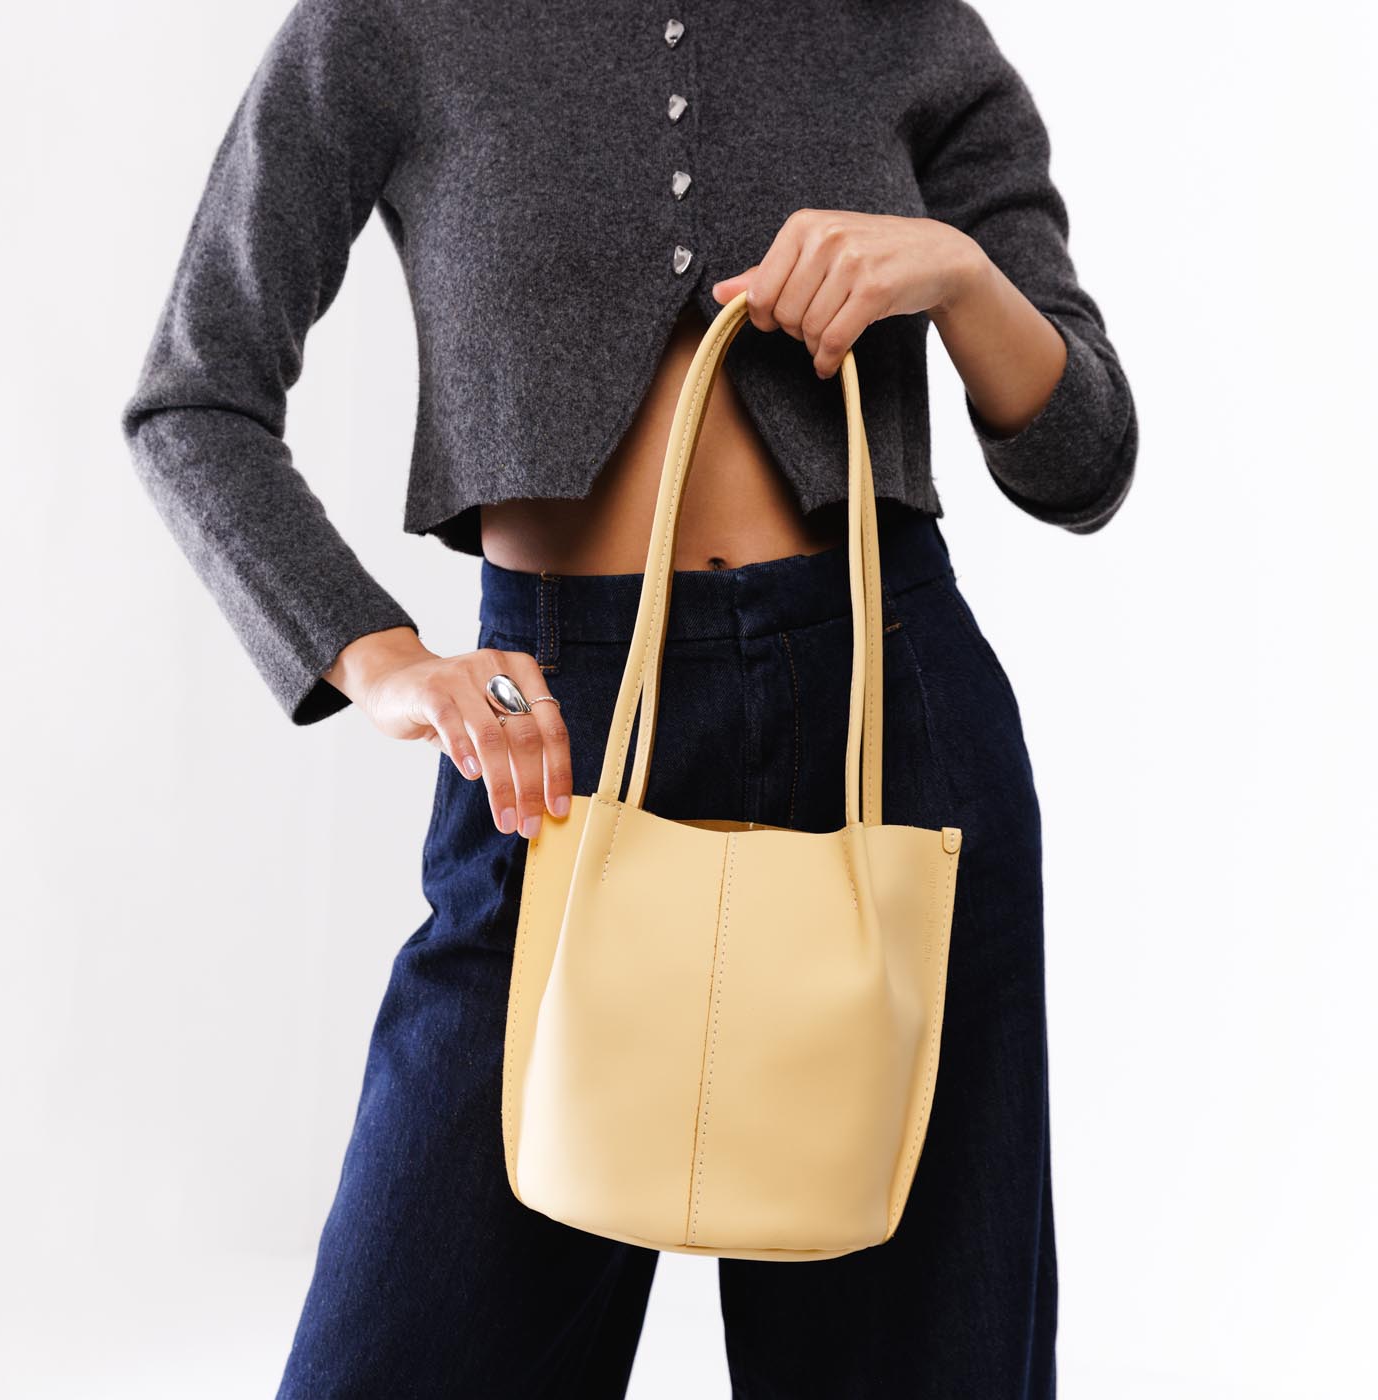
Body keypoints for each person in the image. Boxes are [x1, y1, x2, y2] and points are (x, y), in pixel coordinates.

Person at [121, 2, 1137, 1395]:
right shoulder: (390, 22)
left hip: (895, 734)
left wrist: (958, 277)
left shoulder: (906, 29)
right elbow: (194, 397)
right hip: (549, 755)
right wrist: (380, 656)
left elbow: (1083, 460)